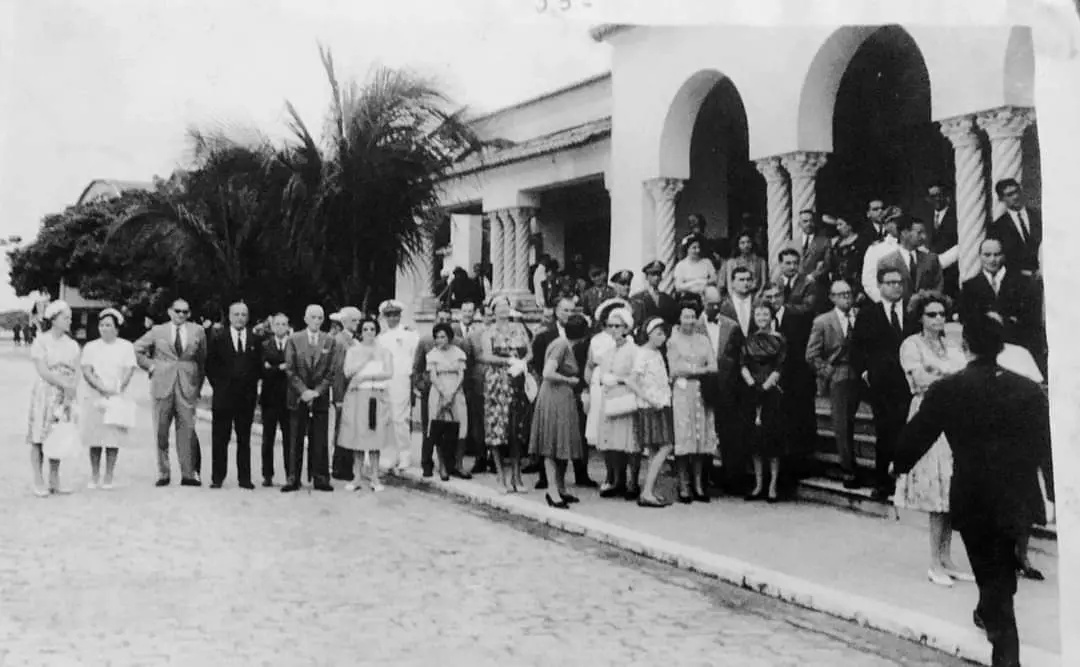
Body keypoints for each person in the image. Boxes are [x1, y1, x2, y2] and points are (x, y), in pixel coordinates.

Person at [892, 314, 1050, 667]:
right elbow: (1044, 447)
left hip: (974, 495)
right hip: (1017, 495)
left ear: (965, 347)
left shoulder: (948, 389)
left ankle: (1004, 651)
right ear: (1001, 347)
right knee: (1001, 571)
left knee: (991, 574)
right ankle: (991, 613)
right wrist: (1049, 493)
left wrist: (898, 464)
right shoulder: (1028, 391)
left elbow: (917, 435)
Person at [891, 291, 973, 586]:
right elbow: (920, 380)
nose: (938, 319)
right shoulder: (911, 345)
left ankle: (947, 558)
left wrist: (940, 373)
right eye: (931, 314)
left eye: (941, 314)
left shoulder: (952, 345)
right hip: (929, 416)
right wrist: (946, 377)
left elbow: (965, 376)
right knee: (937, 491)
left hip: (956, 418)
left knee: (951, 488)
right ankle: (934, 562)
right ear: (920, 318)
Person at [852, 268, 918, 499]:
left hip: (910, 381)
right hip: (882, 384)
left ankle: (906, 482)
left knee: (908, 430)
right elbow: (857, 347)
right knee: (885, 432)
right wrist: (864, 372)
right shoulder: (868, 314)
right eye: (890, 283)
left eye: (899, 282)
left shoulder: (913, 312)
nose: (896, 287)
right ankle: (883, 483)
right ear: (880, 286)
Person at [134, 298, 207, 487]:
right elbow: (137, 348)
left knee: (187, 430)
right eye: (177, 311)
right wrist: (151, 366)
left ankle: (188, 473)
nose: (181, 315)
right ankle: (163, 472)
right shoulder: (158, 331)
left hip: (187, 385)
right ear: (170, 311)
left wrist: (197, 386)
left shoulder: (197, 331)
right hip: (162, 384)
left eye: (185, 311)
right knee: (161, 430)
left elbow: (202, 360)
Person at [529, 313, 590, 508]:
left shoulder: (564, 345)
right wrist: (569, 380)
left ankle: (561, 487)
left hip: (563, 398)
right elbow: (548, 372)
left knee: (563, 443)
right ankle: (552, 490)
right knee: (552, 444)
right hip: (554, 396)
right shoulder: (561, 345)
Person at [806, 280, 861, 488]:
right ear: (832, 298)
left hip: (862, 372)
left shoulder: (860, 316)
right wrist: (826, 371)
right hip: (839, 372)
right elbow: (811, 354)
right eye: (840, 294)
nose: (846, 298)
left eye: (848, 293)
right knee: (842, 423)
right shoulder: (823, 321)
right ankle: (848, 468)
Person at [282, 304, 338, 493]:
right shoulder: (294, 339)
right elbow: (290, 369)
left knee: (320, 438)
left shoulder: (329, 340)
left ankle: (321, 477)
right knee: (295, 438)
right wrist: (304, 391)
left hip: (319, 397)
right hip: (298, 396)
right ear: (306, 319)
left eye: (320, 318)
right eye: (313, 317)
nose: (316, 321)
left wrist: (317, 392)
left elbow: (331, 371)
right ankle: (293, 478)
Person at [205, 301, 262, 490]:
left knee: (244, 439)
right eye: (236, 314)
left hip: (246, 397)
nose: (240, 318)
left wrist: (251, 386)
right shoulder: (218, 338)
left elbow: (258, 366)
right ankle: (217, 477)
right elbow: (210, 365)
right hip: (224, 396)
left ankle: (244, 478)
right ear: (229, 317)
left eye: (243, 315)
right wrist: (219, 386)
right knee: (220, 438)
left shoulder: (255, 339)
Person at [79, 308, 137, 490]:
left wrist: (117, 389)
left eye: (109, 325)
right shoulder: (91, 347)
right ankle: (95, 474)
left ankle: (109, 475)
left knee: (112, 438)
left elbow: (129, 370)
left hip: (117, 395)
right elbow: (87, 370)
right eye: (102, 325)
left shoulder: (126, 347)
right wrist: (100, 387)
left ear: (116, 328)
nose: (104, 328)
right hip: (96, 394)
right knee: (95, 437)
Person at [667, 298, 719, 503]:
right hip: (682, 392)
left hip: (701, 391)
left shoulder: (703, 340)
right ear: (679, 318)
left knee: (700, 439)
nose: (689, 320)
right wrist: (700, 369)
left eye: (692, 316)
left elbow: (713, 366)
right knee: (684, 438)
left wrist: (692, 369)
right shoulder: (673, 341)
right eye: (686, 316)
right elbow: (675, 369)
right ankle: (683, 484)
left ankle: (698, 485)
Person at [480, 294, 533, 493]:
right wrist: (506, 361)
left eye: (505, 306)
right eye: (499, 307)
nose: (503, 310)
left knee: (516, 429)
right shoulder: (489, 332)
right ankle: (500, 476)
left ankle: (517, 477)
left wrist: (522, 362)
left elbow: (529, 351)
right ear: (493, 311)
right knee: (497, 428)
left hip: (517, 378)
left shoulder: (519, 328)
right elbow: (486, 356)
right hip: (497, 382)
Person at [28, 300, 81, 496]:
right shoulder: (41, 341)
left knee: (58, 433)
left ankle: (54, 479)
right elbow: (42, 370)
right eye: (66, 318)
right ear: (54, 319)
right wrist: (63, 384)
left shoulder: (72, 345)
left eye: (70, 318)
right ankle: (38, 479)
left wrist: (70, 391)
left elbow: (76, 371)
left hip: (65, 393)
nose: (69, 321)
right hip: (46, 391)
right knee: (39, 435)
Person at [337, 316, 394, 492]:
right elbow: (348, 372)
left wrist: (367, 376)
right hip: (358, 396)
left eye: (372, 329)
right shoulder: (354, 351)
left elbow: (389, 372)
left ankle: (375, 477)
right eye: (365, 329)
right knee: (359, 437)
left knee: (375, 437)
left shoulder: (384, 351)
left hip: (377, 395)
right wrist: (364, 361)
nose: (369, 332)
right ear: (360, 332)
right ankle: (357, 477)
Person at [740, 300, 787, 502]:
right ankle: (758, 484)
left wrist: (766, 386)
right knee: (755, 443)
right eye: (758, 314)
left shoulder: (779, 339)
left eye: (765, 314)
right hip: (752, 391)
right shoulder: (748, 339)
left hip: (772, 391)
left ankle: (773, 485)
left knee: (772, 441)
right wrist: (752, 385)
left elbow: (780, 366)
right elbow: (743, 364)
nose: (761, 318)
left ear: (771, 316)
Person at [594, 307, 642, 499]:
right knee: (612, 442)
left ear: (626, 328)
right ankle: (616, 479)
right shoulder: (608, 351)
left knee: (630, 442)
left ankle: (633, 482)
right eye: (610, 326)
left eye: (617, 326)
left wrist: (620, 380)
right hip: (610, 397)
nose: (613, 330)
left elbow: (638, 375)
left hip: (626, 397)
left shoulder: (634, 351)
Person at [633, 317, 674, 507]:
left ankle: (650, 490)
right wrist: (649, 399)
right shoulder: (643, 354)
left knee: (654, 450)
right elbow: (632, 380)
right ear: (649, 334)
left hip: (661, 403)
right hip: (652, 406)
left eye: (664, 334)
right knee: (666, 445)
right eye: (658, 333)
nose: (662, 338)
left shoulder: (657, 353)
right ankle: (647, 491)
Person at [376, 300, 420, 471]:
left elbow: (415, 359)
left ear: (400, 316)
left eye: (395, 315)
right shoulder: (381, 338)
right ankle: (390, 455)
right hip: (385, 381)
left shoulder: (410, 334)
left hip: (401, 380)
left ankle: (405, 454)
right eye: (389, 315)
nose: (392, 318)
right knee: (386, 419)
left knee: (400, 419)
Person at [425, 322, 471, 481]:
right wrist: (444, 393)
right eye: (437, 337)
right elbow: (433, 376)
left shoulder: (459, 353)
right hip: (439, 391)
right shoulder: (432, 354)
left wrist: (452, 394)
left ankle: (459, 464)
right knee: (439, 427)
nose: (440, 340)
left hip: (456, 391)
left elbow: (461, 375)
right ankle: (442, 466)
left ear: (450, 337)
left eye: (443, 337)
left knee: (461, 427)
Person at [259, 313, 291, 487]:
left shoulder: (293, 345)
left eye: (283, 324)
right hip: (269, 398)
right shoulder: (264, 345)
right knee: (268, 438)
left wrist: (273, 367)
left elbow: (293, 368)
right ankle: (267, 475)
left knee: (289, 438)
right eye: (277, 324)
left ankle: (290, 474)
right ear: (272, 327)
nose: (280, 327)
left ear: (288, 327)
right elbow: (263, 370)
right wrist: (280, 368)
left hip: (288, 398)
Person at [718, 231, 768, 297]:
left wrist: (757, 296)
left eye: (748, 242)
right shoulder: (731, 262)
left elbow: (763, 283)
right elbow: (729, 284)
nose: (746, 245)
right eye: (742, 243)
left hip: (755, 295)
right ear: (738, 245)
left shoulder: (761, 261)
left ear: (752, 243)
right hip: (735, 295)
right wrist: (734, 298)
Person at [630, 260, 678, 327]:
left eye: (659, 274)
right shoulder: (637, 298)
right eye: (653, 274)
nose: (656, 278)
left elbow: (672, 321)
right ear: (646, 277)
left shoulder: (668, 299)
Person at [673, 234, 717, 298]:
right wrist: (696, 282)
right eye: (694, 248)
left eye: (698, 247)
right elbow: (678, 287)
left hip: (706, 296)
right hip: (688, 298)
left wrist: (704, 282)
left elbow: (714, 278)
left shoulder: (707, 262)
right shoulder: (681, 265)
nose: (697, 250)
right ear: (687, 249)